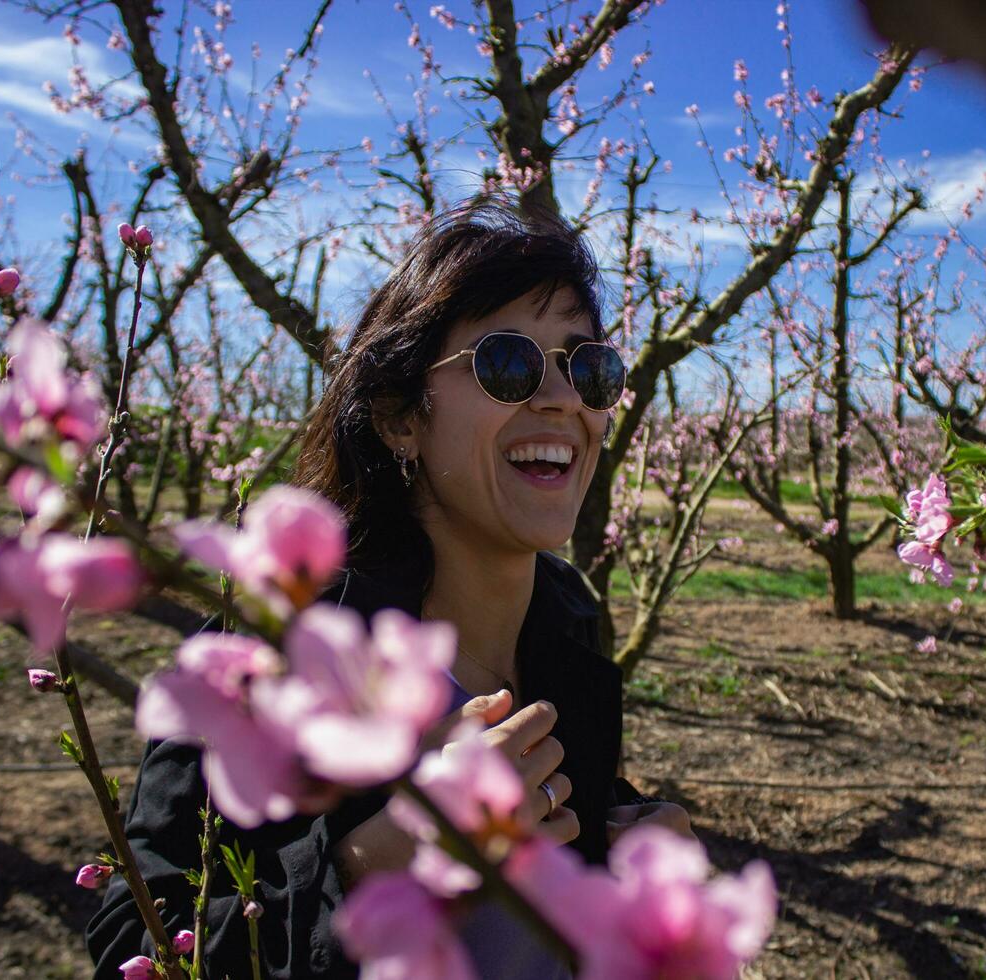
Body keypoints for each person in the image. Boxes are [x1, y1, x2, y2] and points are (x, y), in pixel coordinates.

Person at [87, 201, 692, 979]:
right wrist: (380, 859)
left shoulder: (567, 615)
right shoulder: (273, 651)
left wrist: (629, 869)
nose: (561, 399)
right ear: (399, 417)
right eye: (507, 363)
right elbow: (133, 948)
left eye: (589, 368)